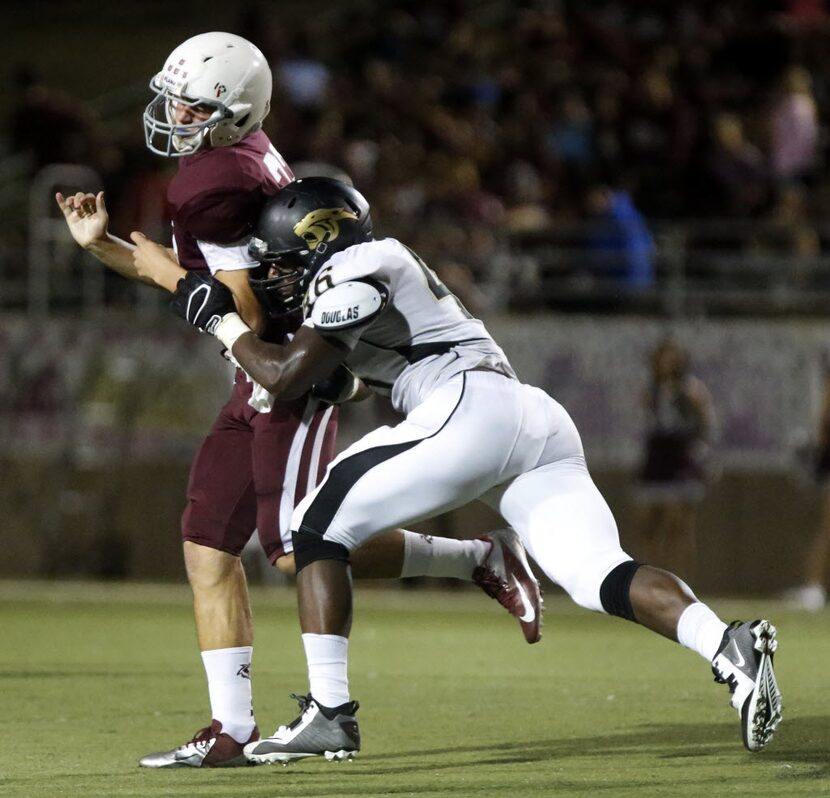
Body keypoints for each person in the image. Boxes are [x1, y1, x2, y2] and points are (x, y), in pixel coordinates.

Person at [134, 176, 783, 762]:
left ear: (318, 242)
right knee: (597, 575)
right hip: (527, 418)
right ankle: (728, 643)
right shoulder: (375, 270)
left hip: (469, 410)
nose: (276, 277)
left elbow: (280, 373)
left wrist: (219, 319)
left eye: (282, 261)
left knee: (314, 527)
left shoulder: (357, 263)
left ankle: (329, 714)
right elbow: (354, 380)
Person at [54, 32, 541, 769]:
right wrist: (104, 248)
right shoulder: (235, 157)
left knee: (295, 549)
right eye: (176, 98)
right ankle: (231, 728)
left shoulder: (211, 184)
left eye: (190, 104)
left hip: (285, 381)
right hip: (251, 379)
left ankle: (476, 559)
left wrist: (155, 271)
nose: (173, 112)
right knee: (207, 547)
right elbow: (210, 284)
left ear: (230, 112)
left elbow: (240, 315)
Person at [635, 339, 717, 581]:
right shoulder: (651, 391)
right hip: (656, 457)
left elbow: (706, 426)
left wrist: (705, 457)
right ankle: (648, 579)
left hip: (680, 458)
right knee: (649, 523)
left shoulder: (692, 390)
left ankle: (679, 579)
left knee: (678, 524)